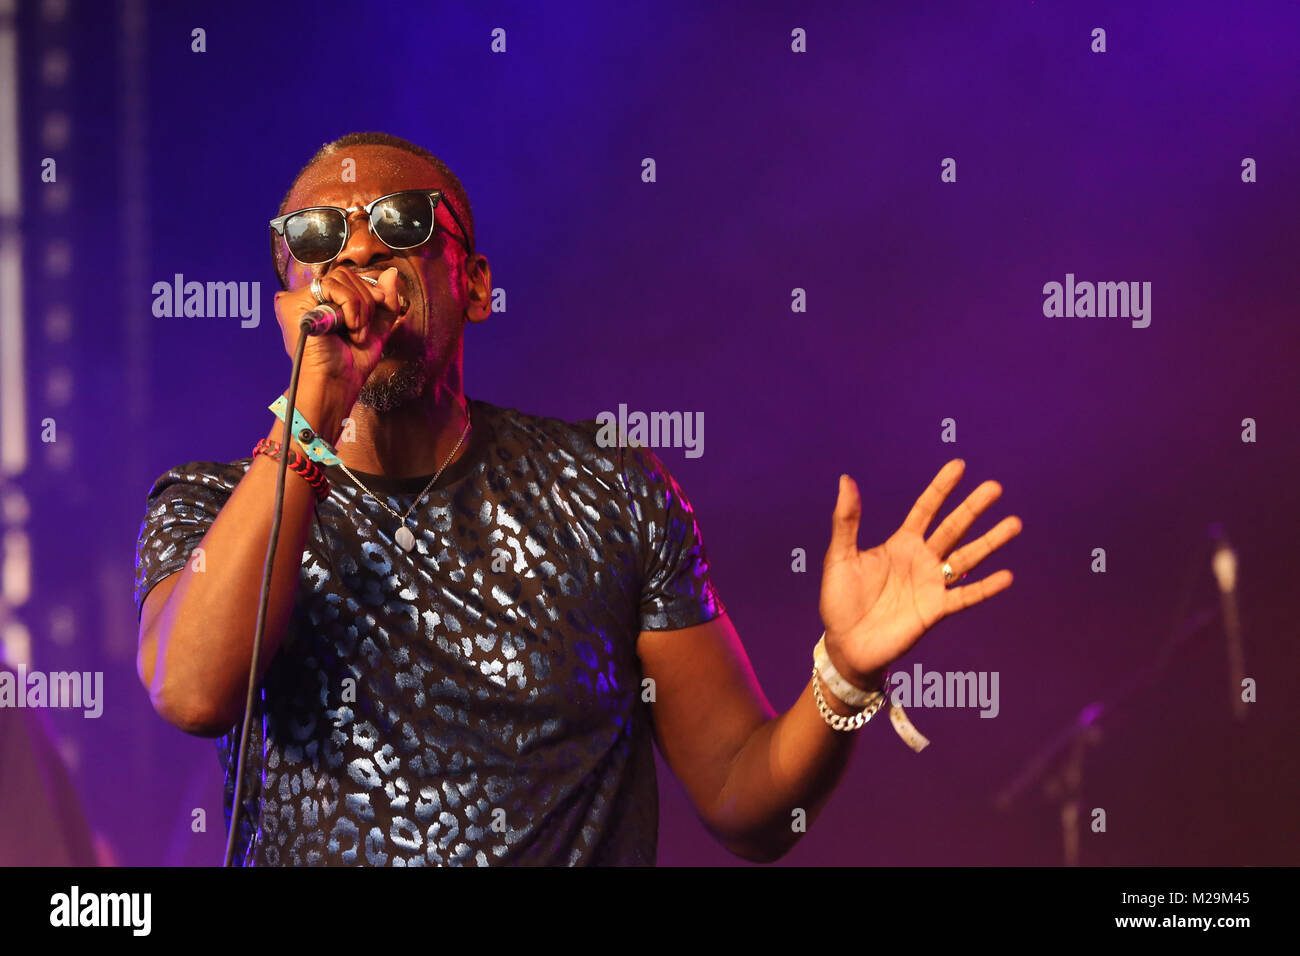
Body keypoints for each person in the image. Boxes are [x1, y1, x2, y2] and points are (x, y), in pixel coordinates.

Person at [133, 131, 1022, 866]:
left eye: (401, 222)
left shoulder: (606, 487)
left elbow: (745, 802)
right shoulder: (213, 505)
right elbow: (192, 690)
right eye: (318, 235)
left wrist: (845, 673)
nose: (358, 250)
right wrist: (312, 418)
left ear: (474, 286)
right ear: (290, 294)